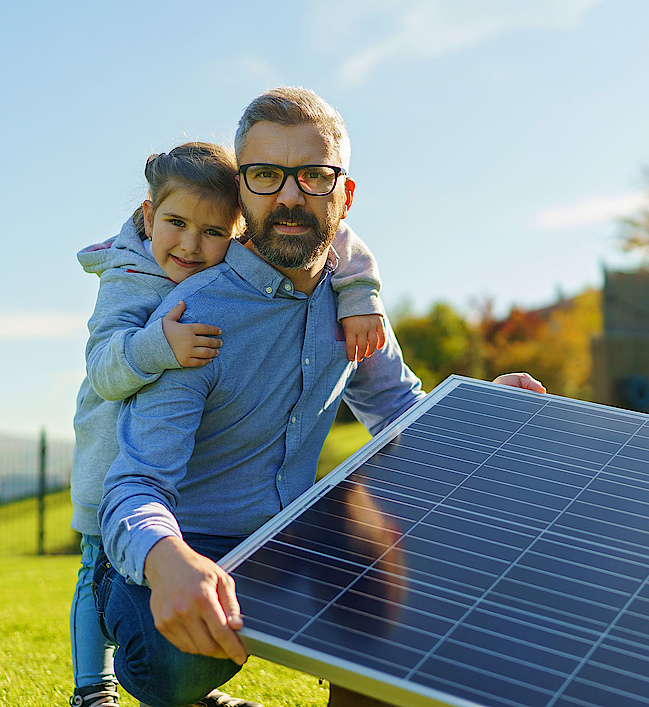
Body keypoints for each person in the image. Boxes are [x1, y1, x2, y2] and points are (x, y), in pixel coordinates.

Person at [94, 86, 544, 707]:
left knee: (376, 529)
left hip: (290, 533)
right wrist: (169, 560)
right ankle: (132, 617)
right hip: (193, 539)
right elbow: (133, 485)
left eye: (312, 176)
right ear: (241, 194)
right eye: (266, 176)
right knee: (172, 668)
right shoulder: (191, 317)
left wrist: (479, 409)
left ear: (344, 193)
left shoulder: (352, 304)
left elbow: (400, 418)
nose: (287, 196)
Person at [70, 142, 388, 707]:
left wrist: (363, 294)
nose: (191, 246)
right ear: (149, 217)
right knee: (98, 556)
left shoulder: (331, 294)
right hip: (110, 468)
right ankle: (92, 688)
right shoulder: (136, 283)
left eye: (213, 232)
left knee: (364, 528)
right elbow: (102, 367)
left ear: (237, 230)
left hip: (262, 524)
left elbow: (343, 241)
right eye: (175, 223)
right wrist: (155, 346)